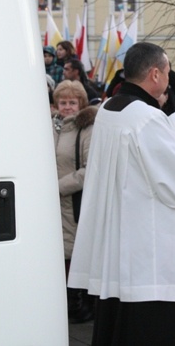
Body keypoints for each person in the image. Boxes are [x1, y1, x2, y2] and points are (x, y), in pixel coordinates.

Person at [67, 42, 175, 345]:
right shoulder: (145, 119)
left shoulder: (110, 110)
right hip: (148, 265)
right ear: (155, 74)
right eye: (168, 72)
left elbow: (149, 145)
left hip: (119, 256)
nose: (169, 78)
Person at [52, 80, 98, 323]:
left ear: (81, 103)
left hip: (72, 201)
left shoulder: (87, 128)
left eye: (72, 102)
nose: (67, 107)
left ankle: (77, 305)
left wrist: (57, 187)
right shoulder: (51, 126)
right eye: (63, 102)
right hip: (51, 204)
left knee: (72, 252)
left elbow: (91, 169)